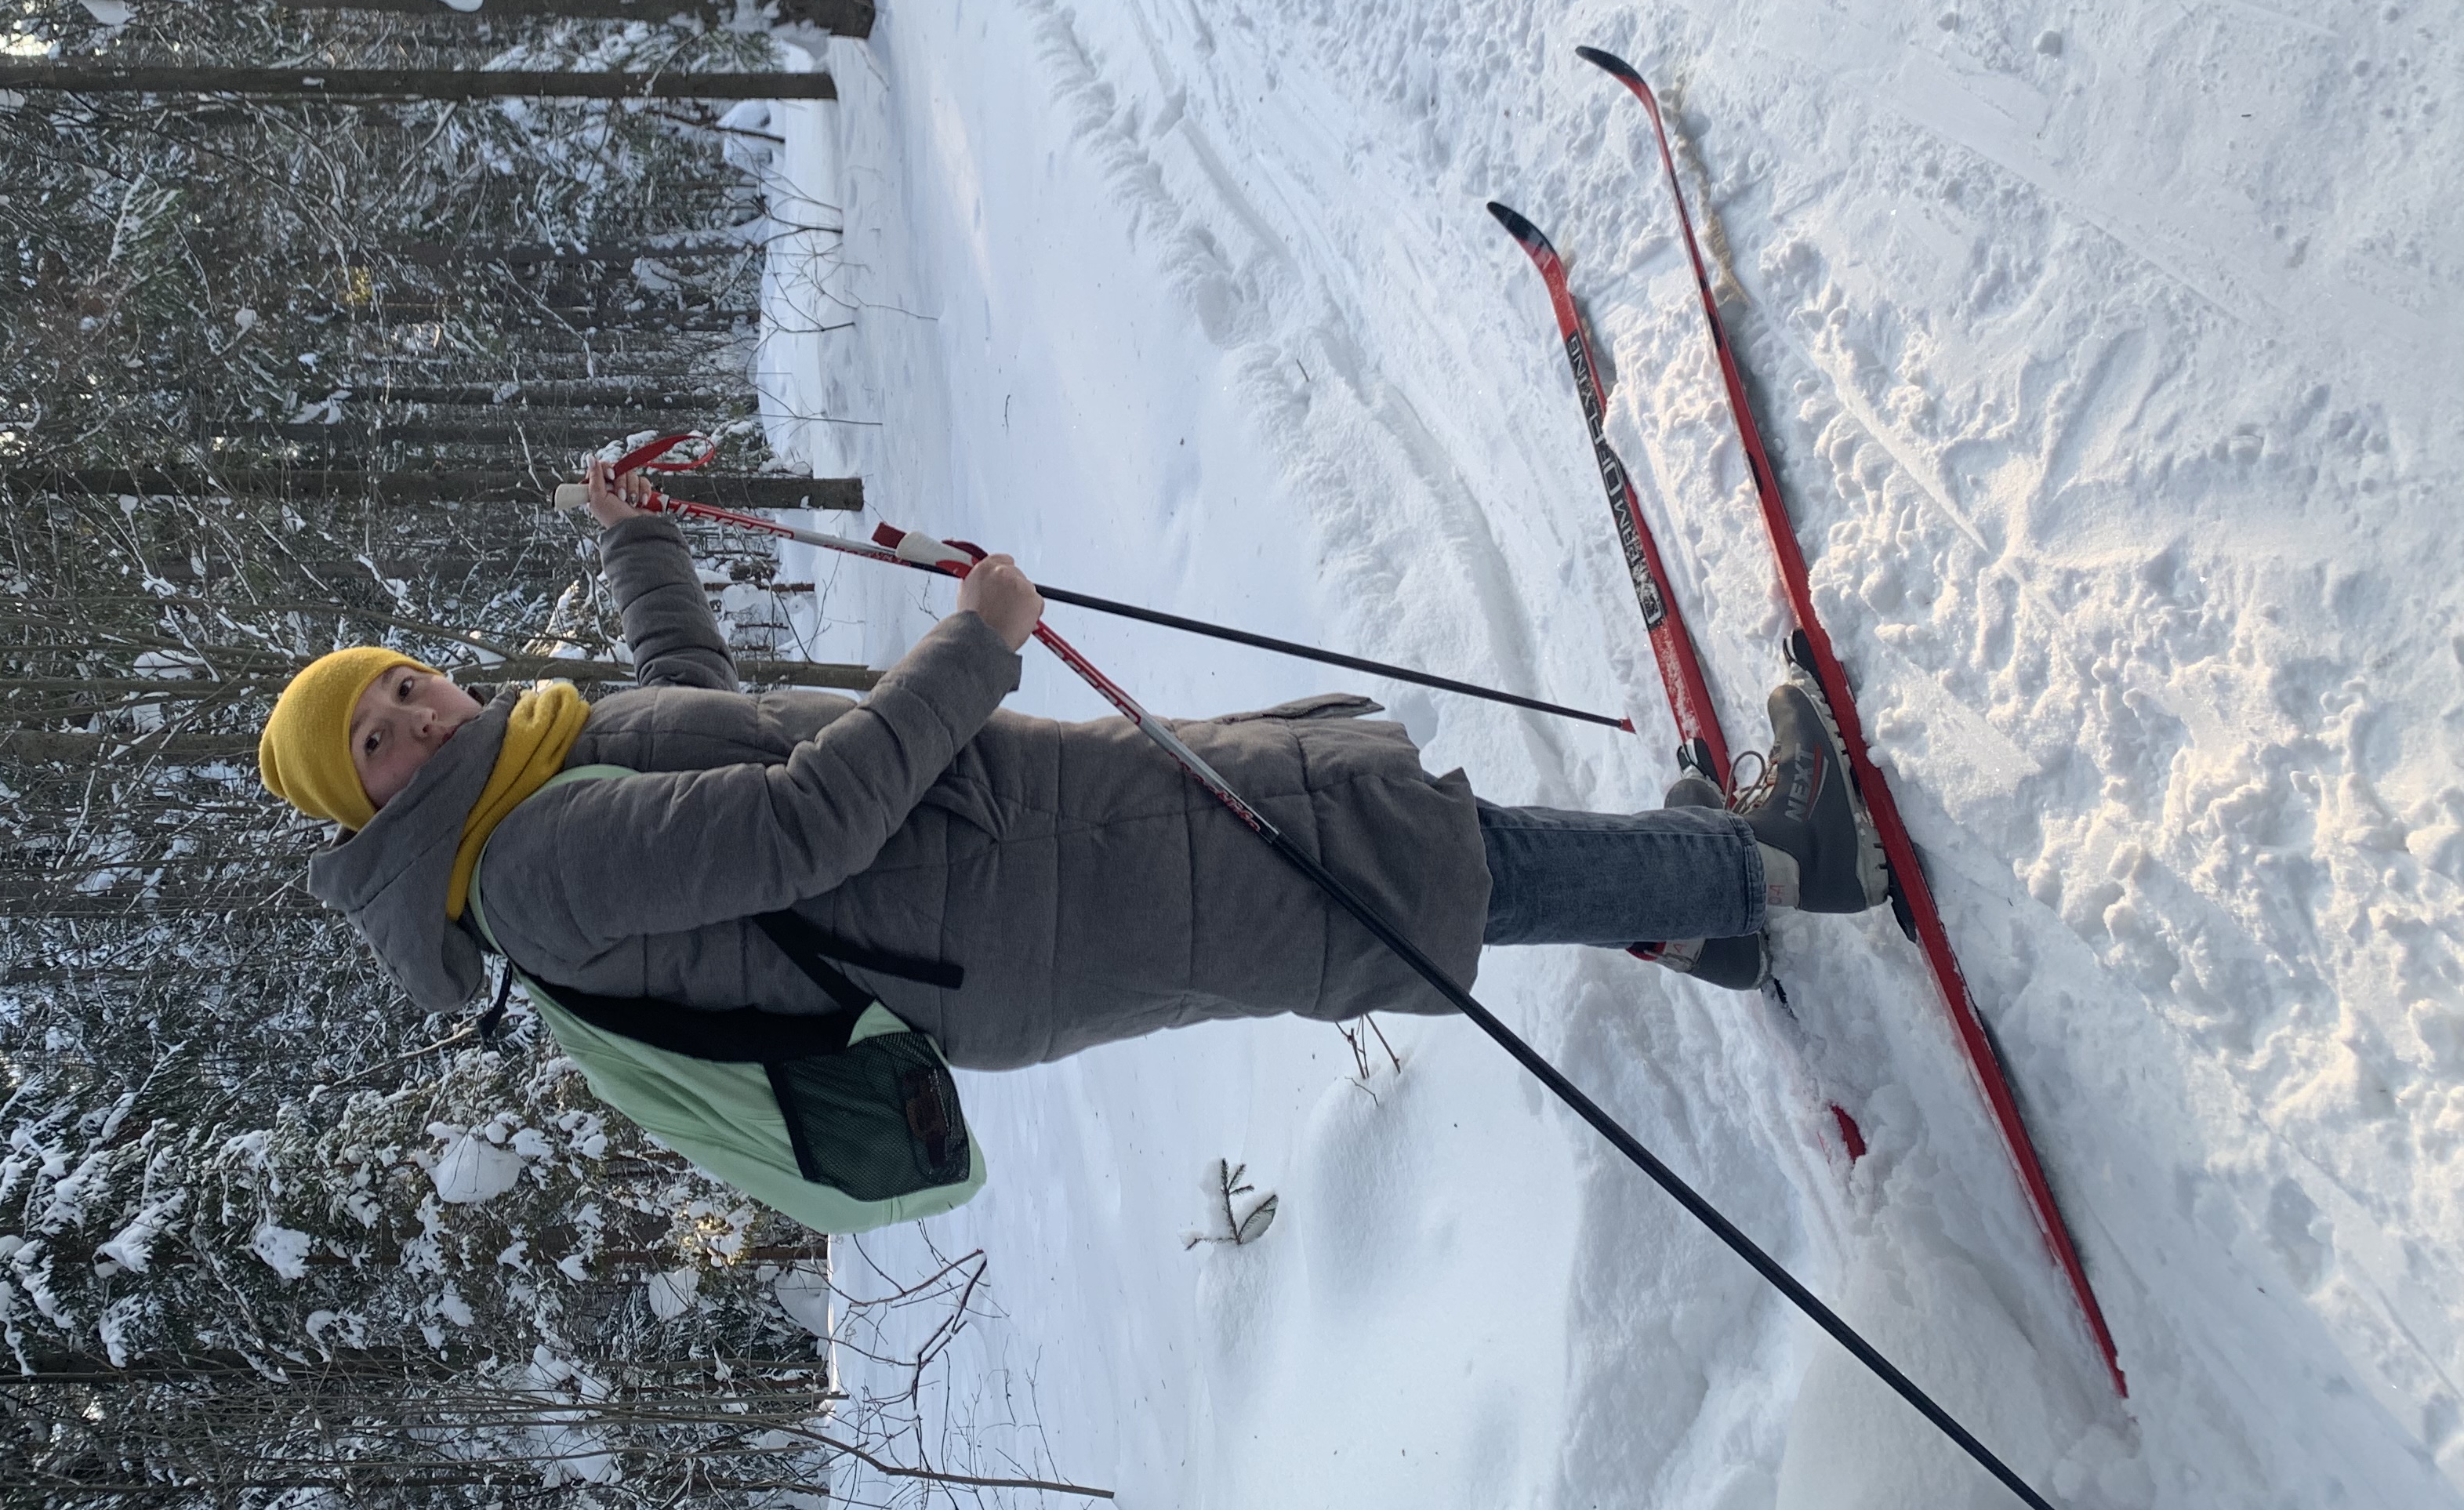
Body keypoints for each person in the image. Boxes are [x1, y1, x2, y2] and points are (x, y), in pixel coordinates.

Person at [259, 459, 1886, 1069]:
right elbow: (799, 819)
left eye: (397, 688)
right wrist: (981, 639)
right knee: (1380, 863)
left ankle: (1703, 915)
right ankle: (1782, 860)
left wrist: (636, 548)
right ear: (375, 808)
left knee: (1355, 855)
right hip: (1013, 898)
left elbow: (700, 710)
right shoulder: (532, 871)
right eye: (379, 747)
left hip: (1007, 877)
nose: (414, 721)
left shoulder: (533, 790)